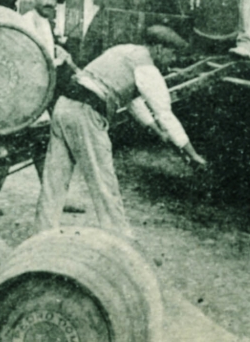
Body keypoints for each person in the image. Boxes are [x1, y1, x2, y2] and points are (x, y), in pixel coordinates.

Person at [36, 25, 208, 238]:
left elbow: (133, 101)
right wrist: (192, 154)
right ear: (158, 48)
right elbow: (165, 114)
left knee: (55, 177)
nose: (171, 60)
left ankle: (43, 232)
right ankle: (120, 237)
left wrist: (155, 131)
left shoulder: (124, 51)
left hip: (64, 106)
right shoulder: (147, 68)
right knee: (104, 181)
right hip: (86, 113)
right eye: (171, 53)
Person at [0, 0, 80, 216]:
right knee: (4, 148)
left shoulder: (47, 24)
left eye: (53, 0)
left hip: (38, 95)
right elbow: (24, 58)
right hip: (21, 97)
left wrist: (59, 53)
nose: (49, 3)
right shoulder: (26, 23)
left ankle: (57, 198)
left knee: (46, 147)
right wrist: (58, 61)